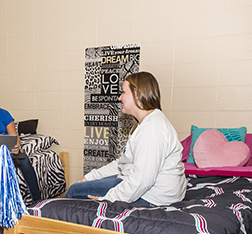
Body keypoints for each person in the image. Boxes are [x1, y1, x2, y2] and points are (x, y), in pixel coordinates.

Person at [65, 71, 186, 206]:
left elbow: (141, 181)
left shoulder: (152, 131)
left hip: (155, 198)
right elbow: (123, 164)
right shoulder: (144, 124)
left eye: (123, 92)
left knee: (74, 191)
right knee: (85, 185)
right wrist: (90, 177)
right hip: (150, 189)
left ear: (138, 95)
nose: (119, 98)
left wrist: (108, 199)